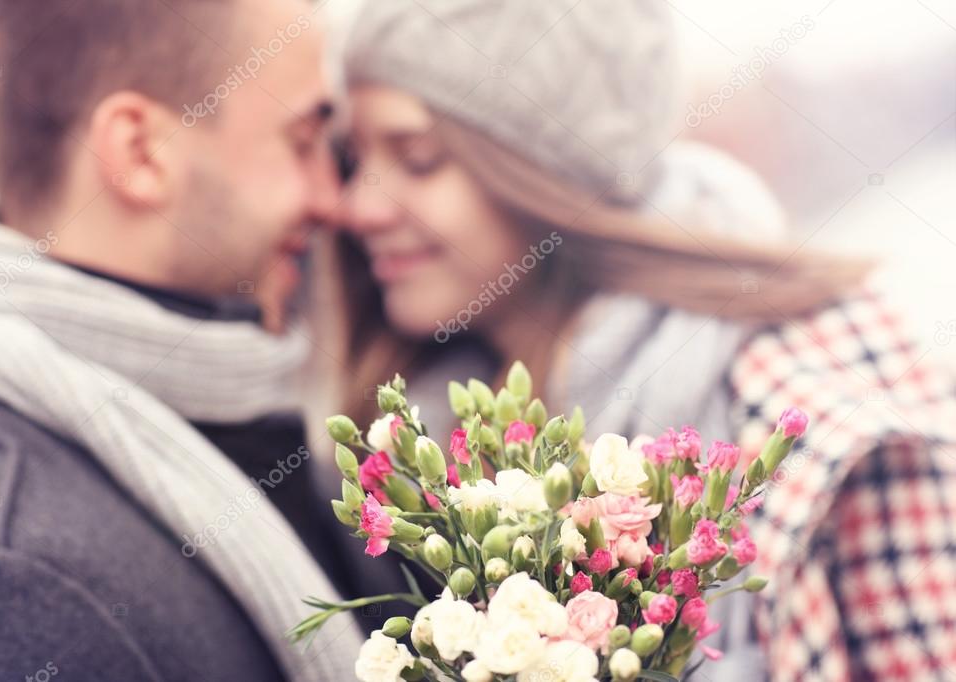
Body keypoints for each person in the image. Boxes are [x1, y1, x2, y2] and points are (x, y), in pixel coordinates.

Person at [312, 0, 956, 679]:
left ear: (545, 168)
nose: (359, 206)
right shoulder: (418, 449)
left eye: (416, 160)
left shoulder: (817, 418)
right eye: (355, 160)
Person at [0, 1, 363, 680]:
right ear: (139, 152)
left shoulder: (246, 410)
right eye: (302, 142)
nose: (332, 199)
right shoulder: (8, 575)